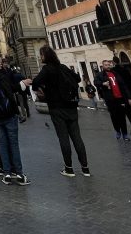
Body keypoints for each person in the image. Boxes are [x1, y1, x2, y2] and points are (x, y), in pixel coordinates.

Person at [30, 46, 90, 178]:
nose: (40, 58)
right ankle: (85, 168)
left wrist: (44, 88)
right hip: (71, 107)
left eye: (41, 55)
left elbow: (35, 83)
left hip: (57, 107)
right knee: (77, 137)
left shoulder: (47, 70)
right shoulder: (63, 67)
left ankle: (69, 169)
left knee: (63, 138)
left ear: (45, 56)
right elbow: (77, 78)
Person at [0, 58, 28, 185]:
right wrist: (17, 112)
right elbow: (9, 93)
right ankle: (19, 174)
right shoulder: (1, 76)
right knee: (13, 143)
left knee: (2, 144)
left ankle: (6, 173)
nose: (1, 63)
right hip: (8, 115)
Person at [95, 59, 131, 141]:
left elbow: (123, 86)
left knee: (122, 117)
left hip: (120, 98)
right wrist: (103, 84)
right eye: (106, 65)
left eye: (108, 64)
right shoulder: (100, 75)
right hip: (110, 99)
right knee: (114, 117)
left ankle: (125, 134)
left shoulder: (115, 74)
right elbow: (96, 82)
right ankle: (117, 131)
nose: (108, 66)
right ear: (103, 66)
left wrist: (129, 98)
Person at [112, 57, 131, 135]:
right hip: (127, 93)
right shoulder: (125, 70)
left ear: (113, 62)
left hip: (120, 94)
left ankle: (128, 129)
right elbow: (130, 83)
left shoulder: (114, 71)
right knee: (129, 112)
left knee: (122, 113)